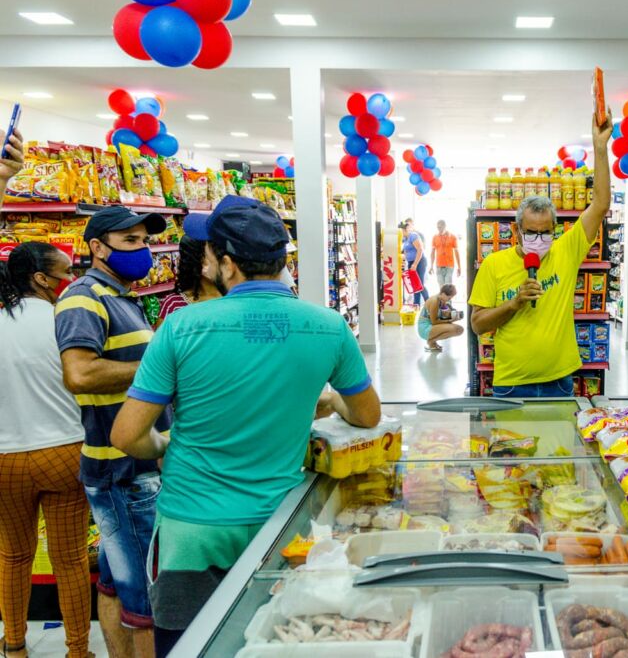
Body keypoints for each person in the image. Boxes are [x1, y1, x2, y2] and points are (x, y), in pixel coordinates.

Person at [108, 196, 381, 656]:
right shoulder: (328, 327)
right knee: (277, 642)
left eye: (209, 253)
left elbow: (127, 436)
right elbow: (368, 415)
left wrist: (163, 444)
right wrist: (331, 400)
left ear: (228, 264)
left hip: (192, 529)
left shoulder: (181, 327)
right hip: (279, 522)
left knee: (188, 645)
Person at [55, 206, 172, 658]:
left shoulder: (122, 296)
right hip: (123, 472)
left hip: (131, 467)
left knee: (112, 584)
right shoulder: (83, 298)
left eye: (145, 241)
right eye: (130, 241)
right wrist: (158, 369)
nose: (143, 250)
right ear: (97, 247)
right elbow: (80, 374)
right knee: (146, 603)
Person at [469, 110, 612, 397]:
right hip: (511, 382)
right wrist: (514, 304)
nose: (538, 239)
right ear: (516, 230)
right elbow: (477, 324)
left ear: (555, 230)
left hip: (559, 379)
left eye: (545, 232)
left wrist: (599, 148)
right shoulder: (494, 264)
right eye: (531, 232)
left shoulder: (566, 250)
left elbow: (600, 204)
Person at [0, 244, 94, 658]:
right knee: (70, 560)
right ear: (41, 278)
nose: (71, 279)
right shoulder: (65, 321)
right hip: (65, 451)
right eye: (66, 271)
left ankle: (15, 645)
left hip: (6, 457)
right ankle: (78, 650)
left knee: (13, 555)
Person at [154, 236, 221, 328]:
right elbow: (161, 337)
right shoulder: (174, 304)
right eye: (217, 255)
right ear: (200, 262)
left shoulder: (234, 298)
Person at [419, 283, 464, 351]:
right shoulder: (435, 301)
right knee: (457, 329)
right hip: (425, 328)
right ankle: (431, 342)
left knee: (459, 329)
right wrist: (449, 321)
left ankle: (432, 342)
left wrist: (452, 315)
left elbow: (441, 315)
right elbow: (434, 322)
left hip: (430, 325)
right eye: (449, 298)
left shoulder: (440, 300)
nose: (449, 300)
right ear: (443, 294)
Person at [400, 219, 429, 306]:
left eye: (401, 230)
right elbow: (406, 251)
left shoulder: (413, 236)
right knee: (415, 285)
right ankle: (416, 304)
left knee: (420, 284)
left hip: (419, 262)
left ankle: (429, 303)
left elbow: (420, 249)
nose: (400, 232)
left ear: (405, 229)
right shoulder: (404, 239)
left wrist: (415, 264)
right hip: (411, 262)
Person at [430, 219, 461, 285]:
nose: (439, 229)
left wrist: (459, 266)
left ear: (445, 226)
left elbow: (456, 252)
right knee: (441, 286)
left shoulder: (452, 237)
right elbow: (432, 252)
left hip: (449, 265)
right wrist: (431, 266)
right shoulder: (435, 237)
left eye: (440, 227)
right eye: (437, 227)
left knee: (447, 286)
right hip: (439, 266)